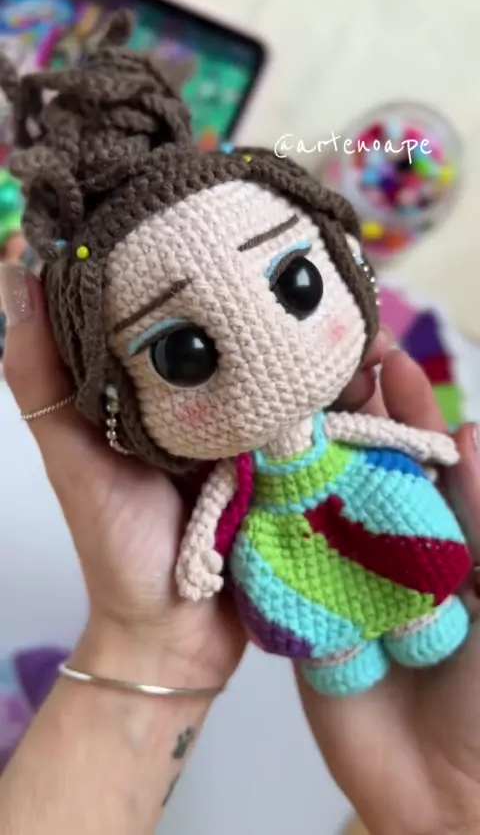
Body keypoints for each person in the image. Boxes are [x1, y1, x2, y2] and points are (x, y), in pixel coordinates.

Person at [0, 253, 480, 835]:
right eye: (183, 354)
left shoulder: (328, 430)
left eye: (298, 286)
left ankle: (421, 619)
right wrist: (183, 581)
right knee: (310, 612)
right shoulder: (237, 469)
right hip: (283, 529)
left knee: (413, 563)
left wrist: (431, 449)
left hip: (360, 492)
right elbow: (218, 501)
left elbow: (370, 431)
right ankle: (345, 650)